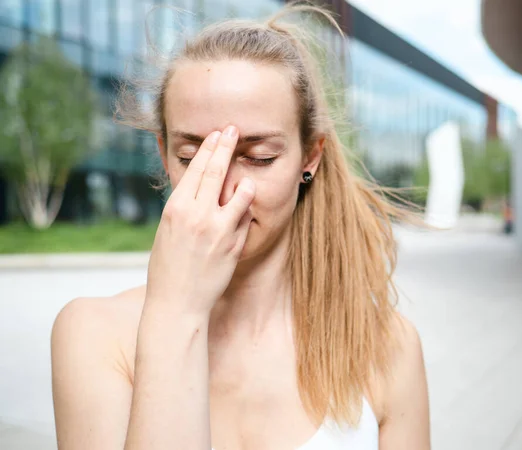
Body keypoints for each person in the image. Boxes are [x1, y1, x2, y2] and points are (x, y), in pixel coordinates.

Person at [50, 4, 430, 450]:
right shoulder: (94, 334)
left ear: (310, 156)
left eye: (259, 157)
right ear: (163, 152)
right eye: (194, 158)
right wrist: (176, 312)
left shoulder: (387, 348)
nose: (226, 190)